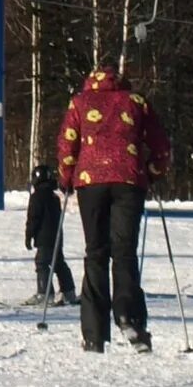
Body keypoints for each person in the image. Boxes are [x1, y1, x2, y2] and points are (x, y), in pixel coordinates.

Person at [55, 60, 170, 353]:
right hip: (128, 180)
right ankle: (129, 318)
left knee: (95, 253)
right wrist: (153, 170)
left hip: (89, 180)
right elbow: (161, 146)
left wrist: (66, 178)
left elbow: (68, 144)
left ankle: (93, 333)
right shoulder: (134, 101)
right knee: (124, 252)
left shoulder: (79, 102)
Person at [24, 158, 77, 309]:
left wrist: (29, 236)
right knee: (58, 262)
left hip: (44, 238)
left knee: (42, 263)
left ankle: (44, 293)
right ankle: (68, 291)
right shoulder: (54, 197)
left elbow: (33, 218)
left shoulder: (36, 197)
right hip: (57, 237)